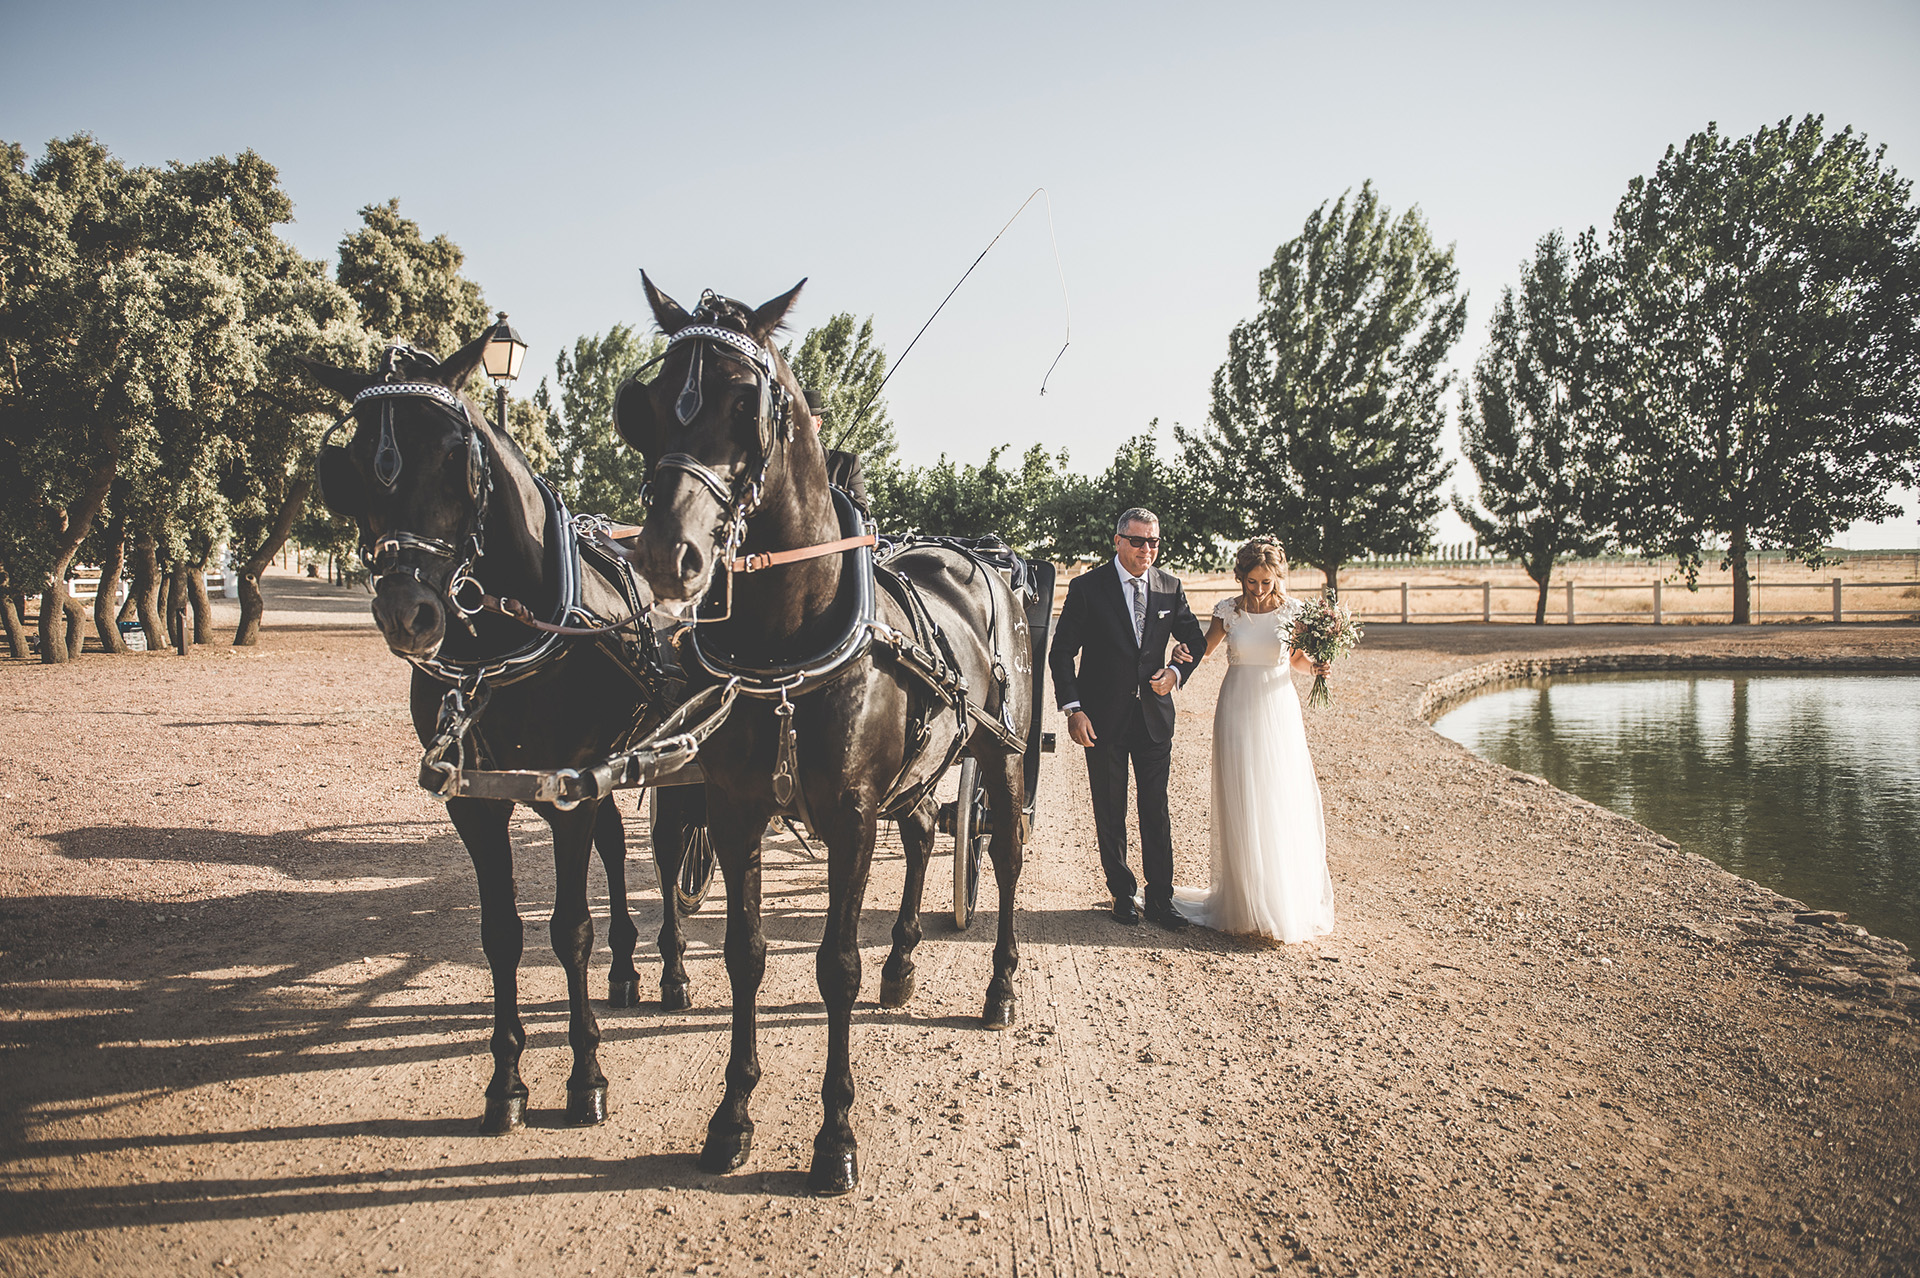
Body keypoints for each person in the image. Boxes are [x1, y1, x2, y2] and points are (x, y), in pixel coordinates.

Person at [1170, 537, 1335, 942]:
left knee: (1279, 796)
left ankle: (1279, 900)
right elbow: (1205, 651)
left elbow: (1294, 658)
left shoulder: (1293, 611)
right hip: (1237, 707)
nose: (1259, 589)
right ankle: (1244, 901)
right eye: (1251, 582)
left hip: (1278, 708)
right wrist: (1179, 653)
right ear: (1241, 577)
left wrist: (1316, 667)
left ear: (1277, 577)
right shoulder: (1228, 611)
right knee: (1243, 796)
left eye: (1266, 582)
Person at [1048, 508, 1207, 929]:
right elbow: (1061, 653)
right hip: (1101, 720)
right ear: (1117, 541)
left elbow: (1194, 639)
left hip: (1155, 719)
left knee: (1155, 808)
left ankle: (1160, 898)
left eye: (1153, 542)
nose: (1146, 549)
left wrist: (1174, 673)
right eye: (1138, 541)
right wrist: (1073, 710)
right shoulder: (1086, 589)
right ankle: (1121, 892)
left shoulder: (1170, 588)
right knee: (1110, 807)